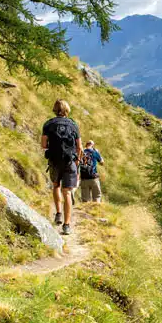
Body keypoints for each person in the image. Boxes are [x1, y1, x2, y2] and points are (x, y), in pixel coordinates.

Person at [40, 99, 82, 236]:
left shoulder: (48, 124)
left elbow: (43, 145)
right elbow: (79, 147)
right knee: (67, 192)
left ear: (55, 109)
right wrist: (77, 161)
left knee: (56, 185)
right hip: (70, 162)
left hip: (54, 161)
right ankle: (67, 225)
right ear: (67, 110)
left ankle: (58, 213)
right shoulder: (73, 125)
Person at [78, 140, 104, 204]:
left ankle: (85, 210)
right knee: (97, 197)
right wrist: (98, 153)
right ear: (92, 145)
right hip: (93, 178)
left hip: (84, 178)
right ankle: (96, 210)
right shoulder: (94, 152)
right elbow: (102, 163)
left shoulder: (80, 152)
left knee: (85, 200)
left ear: (86, 145)